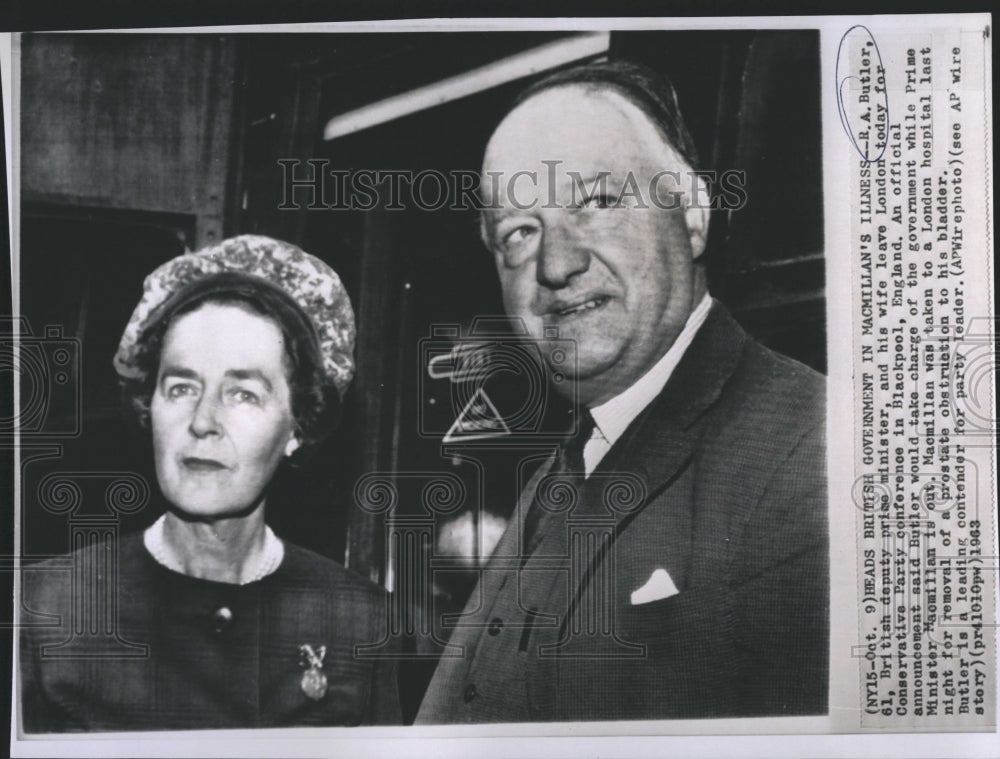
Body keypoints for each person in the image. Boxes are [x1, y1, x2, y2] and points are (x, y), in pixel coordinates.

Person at [416, 60, 827, 722]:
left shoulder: (818, 454)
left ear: (693, 214)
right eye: (519, 232)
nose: (556, 263)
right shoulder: (565, 466)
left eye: (598, 202)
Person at [20, 235, 400, 731]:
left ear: (298, 426)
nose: (203, 421)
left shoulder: (359, 621)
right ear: (147, 406)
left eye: (242, 394)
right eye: (181, 387)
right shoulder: (45, 608)